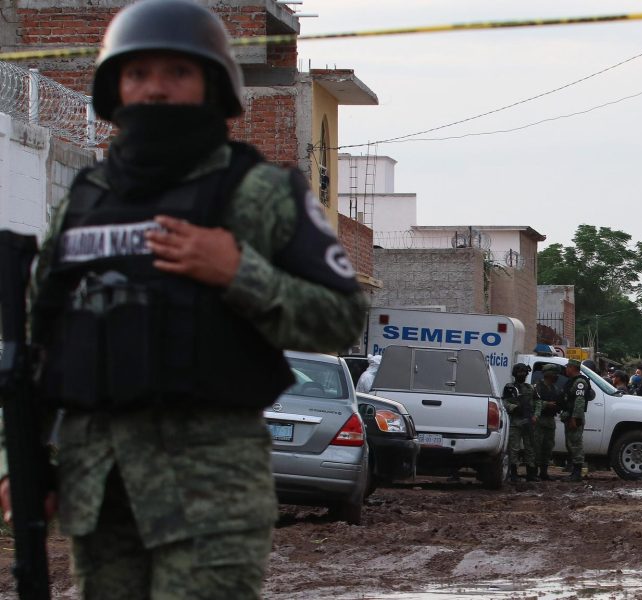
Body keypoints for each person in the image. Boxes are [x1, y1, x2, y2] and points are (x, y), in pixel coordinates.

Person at [0, 1, 370, 596]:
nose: (155, 88)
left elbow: (343, 317)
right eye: (137, 72)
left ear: (212, 85)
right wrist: (18, 464)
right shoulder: (86, 199)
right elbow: (38, 344)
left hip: (209, 497)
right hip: (99, 493)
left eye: (177, 71)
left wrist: (238, 271)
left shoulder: (259, 193)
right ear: (115, 87)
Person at [503, 363, 537, 482]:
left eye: (524, 372)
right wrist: (514, 407)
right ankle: (513, 474)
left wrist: (536, 416)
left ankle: (531, 474)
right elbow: (505, 402)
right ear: (515, 374)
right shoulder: (509, 388)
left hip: (528, 421)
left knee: (530, 447)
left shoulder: (530, 388)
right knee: (514, 449)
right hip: (515, 422)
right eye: (520, 373)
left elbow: (538, 402)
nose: (522, 375)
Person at [562, 359, 591, 482]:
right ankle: (574, 471)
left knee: (575, 444)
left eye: (568, 367)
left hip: (575, 417)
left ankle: (577, 473)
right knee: (571, 444)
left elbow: (579, 401)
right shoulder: (573, 381)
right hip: (570, 416)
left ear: (573, 368)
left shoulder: (580, 382)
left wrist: (575, 418)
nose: (566, 369)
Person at [533, 364, 562, 481]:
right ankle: (533, 472)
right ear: (548, 374)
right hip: (539, 420)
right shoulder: (537, 387)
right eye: (554, 374)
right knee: (537, 446)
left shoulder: (555, 388)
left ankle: (544, 472)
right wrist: (546, 404)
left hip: (550, 420)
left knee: (548, 447)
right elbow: (532, 402)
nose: (556, 377)